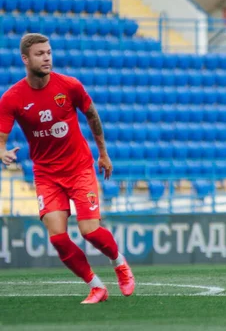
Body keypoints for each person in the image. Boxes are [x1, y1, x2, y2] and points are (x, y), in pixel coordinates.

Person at [0, 33, 135, 304]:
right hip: (46, 174)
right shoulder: (12, 98)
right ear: (25, 59)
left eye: (48, 52)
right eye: (40, 53)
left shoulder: (69, 85)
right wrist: (2, 152)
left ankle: (119, 262)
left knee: (90, 231)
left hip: (79, 168)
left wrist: (103, 154)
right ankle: (96, 286)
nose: (47, 57)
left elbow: (92, 115)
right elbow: (1, 137)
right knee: (58, 238)